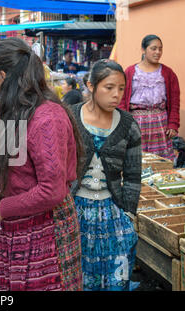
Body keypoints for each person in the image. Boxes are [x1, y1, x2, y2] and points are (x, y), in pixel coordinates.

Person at [0, 37, 83, 291]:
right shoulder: (12, 111)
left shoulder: (47, 117)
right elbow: (3, 172)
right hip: (13, 229)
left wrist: (1, 209)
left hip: (44, 231)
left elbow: (52, 190)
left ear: (2, 76)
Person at [70, 59, 141, 291]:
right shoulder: (69, 118)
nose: (116, 95)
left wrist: (128, 213)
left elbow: (132, 175)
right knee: (77, 275)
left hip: (113, 210)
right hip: (75, 209)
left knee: (116, 278)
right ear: (91, 86)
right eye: (109, 87)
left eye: (121, 88)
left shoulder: (129, 125)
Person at [118, 34, 180, 161]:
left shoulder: (168, 73)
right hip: (136, 124)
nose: (158, 52)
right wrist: (124, 124)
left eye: (160, 49)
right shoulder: (130, 72)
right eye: (153, 48)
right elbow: (122, 99)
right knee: (136, 161)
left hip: (161, 125)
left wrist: (173, 124)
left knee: (161, 162)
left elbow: (175, 101)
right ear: (143, 50)